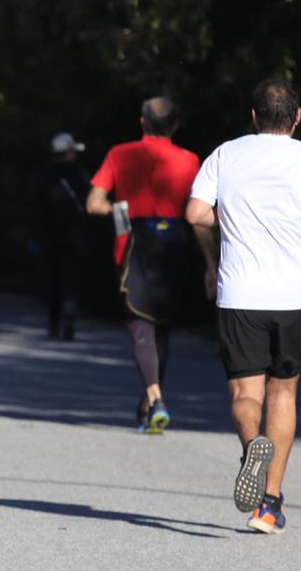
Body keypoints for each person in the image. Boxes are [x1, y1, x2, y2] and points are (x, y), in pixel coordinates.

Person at [186, 79, 301, 534]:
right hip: (294, 295)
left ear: (253, 117)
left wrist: (212, 260)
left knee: (244, 394)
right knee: (284, 392)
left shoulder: (226, 155)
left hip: (241, 294)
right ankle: (268, 505)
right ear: (297, 117)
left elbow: (195, 213)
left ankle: (253, 443)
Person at [86, 97, 216, 434]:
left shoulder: (120, 154)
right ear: (175, 126)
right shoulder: (190, 160)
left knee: (140, 327)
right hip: (174, 247)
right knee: (161, 327)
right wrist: (211, 264)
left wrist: (120, 208)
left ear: (142, 122)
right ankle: (149, 402)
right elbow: (200, 218)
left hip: (133, 247)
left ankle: (155, 398)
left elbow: (93, 203)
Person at [28, 132, 92, 340]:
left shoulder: (43, 176)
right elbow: (91, 203)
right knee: (71, 281)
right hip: (74, 237)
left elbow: (35, 209)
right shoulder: (79, 176)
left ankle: (54, 323)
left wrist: (36, 236)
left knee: (53, 281)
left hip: (49, 238)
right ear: (68, 153)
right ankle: (69, 323)